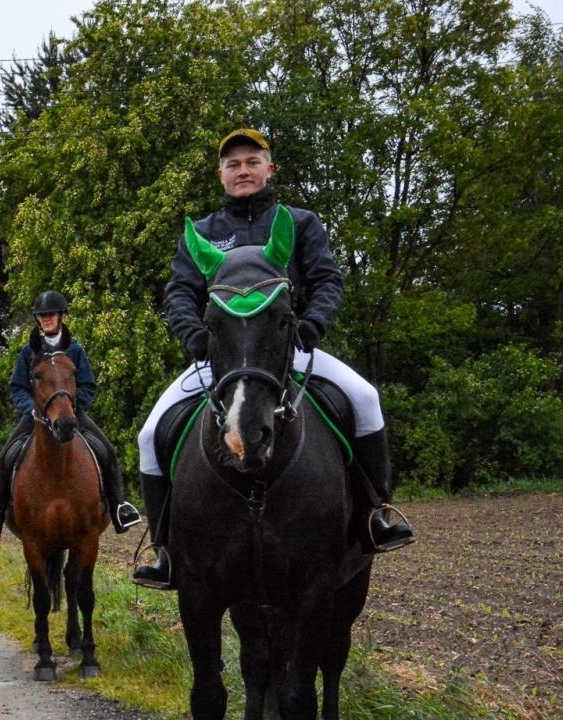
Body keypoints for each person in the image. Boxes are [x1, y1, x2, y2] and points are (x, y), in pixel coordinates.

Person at [131, 128, 414, 589]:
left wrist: (312, 325)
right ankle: (164, 548)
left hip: (291, 350)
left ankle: (375, 514)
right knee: (149, 435)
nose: (243, 170)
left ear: (269, 169)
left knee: (365, 398)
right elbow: (179, 292)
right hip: (220, 357)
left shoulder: (301, 223)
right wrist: (193, 334)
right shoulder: (203, 233)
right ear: (221, 174)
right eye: (233, 164)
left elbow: (327, 281)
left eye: (252, 162)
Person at [0, 290, 140, 542]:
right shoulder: (27, 353)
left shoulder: (74, 350)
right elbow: (17, 387)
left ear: (61, 316)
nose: (47, 319)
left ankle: (119, 508)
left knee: (106, 450)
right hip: (36, 416)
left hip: (71, 414)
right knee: (5, 456)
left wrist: (71, 407)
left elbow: (88, 385)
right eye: (42, 315)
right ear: (38, 319)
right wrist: (31, 408)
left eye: (51, 314)